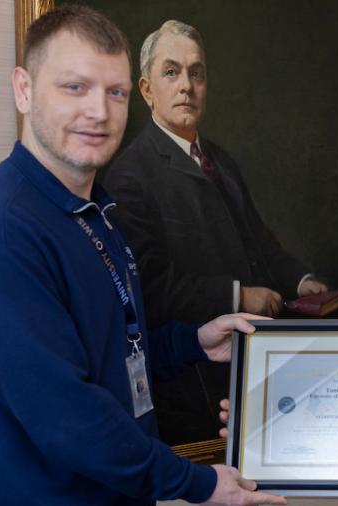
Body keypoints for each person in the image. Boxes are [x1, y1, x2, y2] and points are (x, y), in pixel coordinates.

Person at [0, 6, 286, 505]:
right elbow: (65, 415)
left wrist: (193, 344)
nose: (99, 112)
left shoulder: (95, 213)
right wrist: (199, 483)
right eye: (74, 87)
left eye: (115, 92)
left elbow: (110, 356)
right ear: (23, 89)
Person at [101, 20, 326, 443]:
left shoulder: (219, 159)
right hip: (190, 384)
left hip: (251, 369)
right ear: (147, 90)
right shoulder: (130, 176)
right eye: (172, 72)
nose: (186, 85)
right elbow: (151, 286)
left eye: (196, 73)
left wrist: (301, 279)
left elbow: (259, 240)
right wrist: (238, 295)